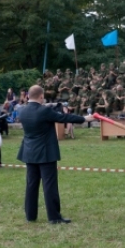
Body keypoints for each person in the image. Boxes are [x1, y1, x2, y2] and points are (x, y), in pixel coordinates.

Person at [17, 85, 95, 224]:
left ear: (28, 96)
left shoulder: (21, 110)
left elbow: (41, 110)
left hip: (29, 152)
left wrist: (50, 105)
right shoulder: (45, 111)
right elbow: (64, 117)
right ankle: (54, 217)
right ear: (41, 96)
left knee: (31, 185)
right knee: (49, 186)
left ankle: (30, 215)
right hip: (45, 153)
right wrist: (85, 119)